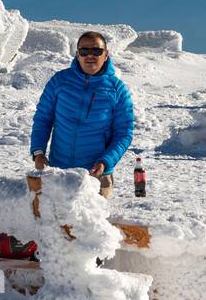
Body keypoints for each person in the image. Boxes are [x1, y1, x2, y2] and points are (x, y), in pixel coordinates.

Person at [30, 30, 135, 199]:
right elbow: (43, 119)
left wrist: (105, 162)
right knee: (52, 223)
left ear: (106, 54)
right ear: (77, 54)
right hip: (59, 172)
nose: (90, 56)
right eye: (84, 51)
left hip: (97, 175)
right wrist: (38, 152)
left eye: (96, 51)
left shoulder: (118, 90)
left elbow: (124, 133)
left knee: (92, 223)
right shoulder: (60, 81)